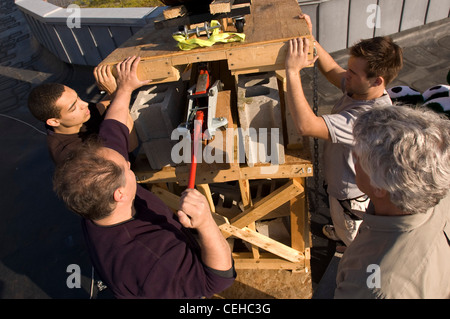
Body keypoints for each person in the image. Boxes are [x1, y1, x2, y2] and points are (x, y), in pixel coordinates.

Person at [53, 56, 236, 299]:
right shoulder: (152, 261)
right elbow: (219, 279)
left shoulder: (95, 198)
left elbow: (112, 129)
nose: (128, 162)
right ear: (120, 194)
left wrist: (124, 88)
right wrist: (205, 224)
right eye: (126, 167)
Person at [285, 14, 403, 246]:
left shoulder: (368, 120)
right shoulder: (360, 89)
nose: (345, 75)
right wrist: (309, 38)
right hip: (340, 184)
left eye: (353, 73)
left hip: (349, 196)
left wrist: (292, 71)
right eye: (349, 69)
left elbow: (306, 125)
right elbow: (331, 70)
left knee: (353, 239)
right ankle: (341, 229)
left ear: (376, 81)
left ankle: (347, 248)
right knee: (340, 218)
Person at [334, 105, 450, 298]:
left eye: (358, 157)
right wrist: (363, 253)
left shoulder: (375, 288)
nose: (353, 159)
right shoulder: (433, 187)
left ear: (380, 187)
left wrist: (368, 262)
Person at [27, 63, 137, 165]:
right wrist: (120, 92)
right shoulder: (71, 153)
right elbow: (130, 145)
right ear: (54, 121)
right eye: (73, 107)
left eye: (78, 97)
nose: (84, 104)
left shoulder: (79, 114)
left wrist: (115, 83)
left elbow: (105, 105)